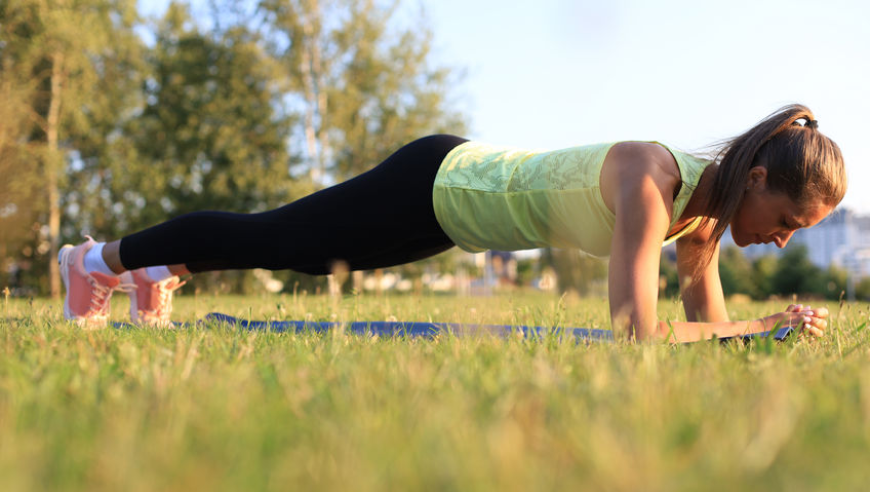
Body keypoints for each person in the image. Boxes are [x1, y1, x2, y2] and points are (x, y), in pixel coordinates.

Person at [58, 104, 844, 341]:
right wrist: (751, 329)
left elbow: (710, 332)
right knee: (275, 240)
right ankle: (96, 259)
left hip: (454, 220)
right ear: (760, 179)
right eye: (786, 220)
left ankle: (160, 273)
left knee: (291, 252)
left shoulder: (703, 221)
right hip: (436, 181)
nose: (783, 239)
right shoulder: (653, 179)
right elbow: (638, 335)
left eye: (796, 235)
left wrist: (769, 335)